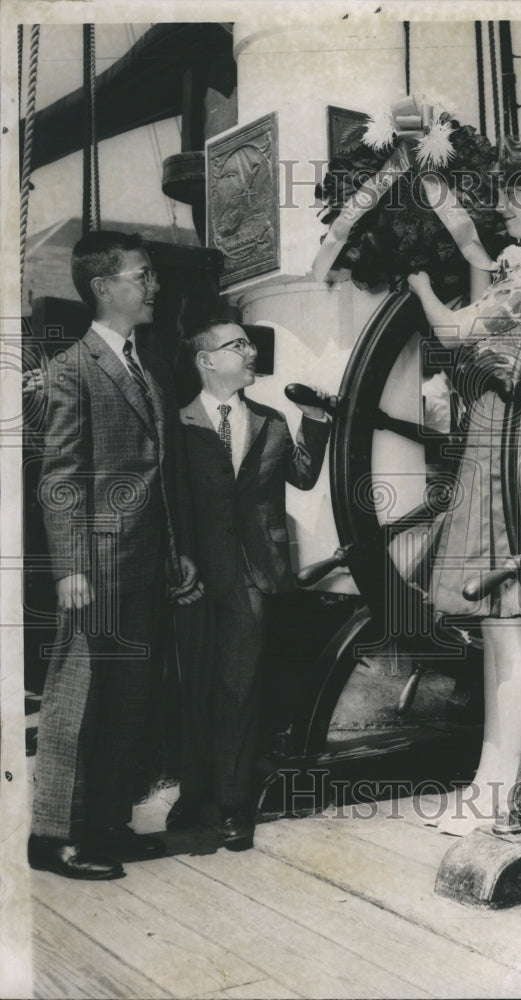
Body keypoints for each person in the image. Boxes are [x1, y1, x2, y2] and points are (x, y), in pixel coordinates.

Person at [406, 130, 521, 835]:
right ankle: (486, 785)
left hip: (507, 451)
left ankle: (503, 794)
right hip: (494, 444)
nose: (503, 207)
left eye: (511, 193)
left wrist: (418, 282)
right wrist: (487, 262)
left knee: (509, 630)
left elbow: (454, 337)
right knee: (496, 628)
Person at [29, 231, 202, 880]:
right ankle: (57, 836)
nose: (153, 285)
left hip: (145, 563)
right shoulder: (72, 368)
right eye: (142, 275)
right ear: (104, 288)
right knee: (81, 699)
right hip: (95, 568)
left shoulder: (147, 366)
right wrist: (71, 565)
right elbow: (62, 475)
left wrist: (176, 553)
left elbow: (160, 472)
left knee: (131, 700)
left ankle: (105, 825)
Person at [169, 318, 332, 850]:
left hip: (254, 576)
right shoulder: (177, 423)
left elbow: (304, 476)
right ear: (207, 359)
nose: (250, 351)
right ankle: (194, 794)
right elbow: (169, 503)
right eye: (237, 345)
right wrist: (176, 562)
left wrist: (314, 420)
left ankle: (236, 805)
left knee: (240, 691)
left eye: (250, 343)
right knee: (192, 687)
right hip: (192, 578)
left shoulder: (272, 421)